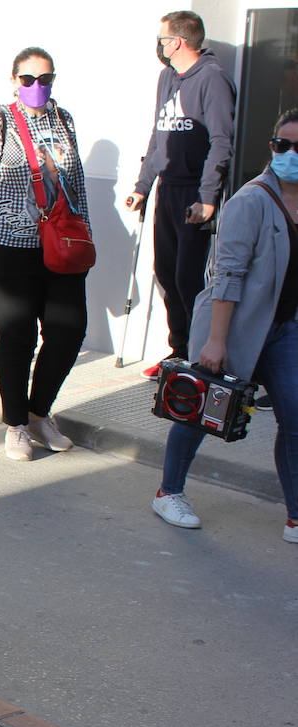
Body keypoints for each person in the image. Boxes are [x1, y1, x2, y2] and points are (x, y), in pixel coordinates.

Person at [151, 110, 298, 543]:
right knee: (200, 413)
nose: (289, 153)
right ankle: (168, 492)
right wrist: (215, 343)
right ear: (271, 147)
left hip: (284, 329)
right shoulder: (251, 202)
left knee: (295, 419)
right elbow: (226, 276)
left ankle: (295, 516)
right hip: (232, 326)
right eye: (281, 145)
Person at [0, 47, 90, 461]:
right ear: (14, 80)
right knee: (18, 337)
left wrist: (84, 238)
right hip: (8, 249)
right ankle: (16, 423)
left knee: (69, 331)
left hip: (60, 248)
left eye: (46, 79)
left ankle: (39, 413)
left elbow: (77, 185)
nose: (38, 87)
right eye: (29, 79)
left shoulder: (64, 119)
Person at [126, 11, 237, 380]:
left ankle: (198, 355)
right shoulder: (167, 77)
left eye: (162, 38)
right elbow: (160, 136)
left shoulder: (213, 79)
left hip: (195, 193)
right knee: (166, 273)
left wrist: (207, 196)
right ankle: (179, 349)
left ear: (177, 42)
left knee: (191, 277)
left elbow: (221, 141)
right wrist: (143, 185)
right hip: (167, 189)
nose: (158, 45)